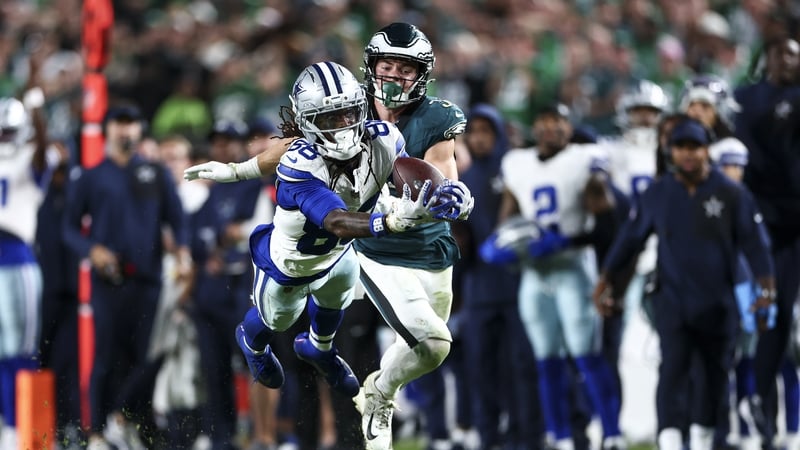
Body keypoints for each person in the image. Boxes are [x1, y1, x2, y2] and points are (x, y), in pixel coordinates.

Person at [183, 59, 456, 428]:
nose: (343, 125)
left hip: (340, 253)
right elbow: (336, 221)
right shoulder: (300, 165)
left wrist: (445, 197)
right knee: (277, 318)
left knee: (338, 295)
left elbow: (405, 176)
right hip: (292, 262)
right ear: (309, 123)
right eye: (330, 119)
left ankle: (320, 349)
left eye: (347, 113)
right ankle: (251, 340)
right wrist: (390, 219)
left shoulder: (384, 138)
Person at [594, 117, 776, 450]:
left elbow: (755, 244)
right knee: (672, 371)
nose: (688, 154)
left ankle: (703, 439)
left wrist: (767, 288)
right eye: (681, 147)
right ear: (670, 151)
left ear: (707, 150)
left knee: (714, 378)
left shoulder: (731, 193)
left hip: (718, 303)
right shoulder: (658, 193)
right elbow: (630, 239)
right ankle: (670, 440)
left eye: (695, 146)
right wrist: (606, 277)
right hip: (672, 300)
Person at [483, 103, 624, 450]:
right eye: (544, 121)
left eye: (558, 121)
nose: (550, 128)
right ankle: (559, 436)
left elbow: (609, 225)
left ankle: (611, 433)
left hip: (574, 268)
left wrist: (567, 241)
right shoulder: (518, 164)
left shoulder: (583, 159)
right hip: (534, 274)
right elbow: (506, 221)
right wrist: (498, 245)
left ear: (569, 126)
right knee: (546, 359)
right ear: (535, 127)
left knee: (586, 355)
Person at [62, 103, 192, 450]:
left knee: (143, 359)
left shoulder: (153, 172)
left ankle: (134, 424)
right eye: (120, 123)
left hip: (149, 281)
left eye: (132, 124)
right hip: (109, 282)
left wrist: (182, 251)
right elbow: (69, 229)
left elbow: (177, 220)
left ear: (140, 130)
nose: (126, 131)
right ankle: (96, 431)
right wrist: (92, 250)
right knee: (105, 357)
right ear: (107, 130)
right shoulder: (91, 176)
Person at [456, 103, 543, 449]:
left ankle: (528, 437)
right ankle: (488, 435)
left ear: (499, 135)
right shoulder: (462, 179)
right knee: (480, 367)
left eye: (485, 131)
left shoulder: (516, 172)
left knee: (522, 366)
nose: (478, 139)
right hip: (479, 290)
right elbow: (461, 241)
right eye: (472, 132)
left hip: (517, 284)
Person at [734, 37, 800, 448]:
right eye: (783, 53)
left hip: (791, 222)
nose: (790, 60)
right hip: (766, 225)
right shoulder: (747, 98)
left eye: (795, 54)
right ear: (767, 59)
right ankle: (765, 418)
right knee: (766, 323)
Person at [0, 93, 53, 449]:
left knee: (23, 347)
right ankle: (7, 424)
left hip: (18, 257)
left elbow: (42, 150)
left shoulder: (32, 156)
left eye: (9, 130)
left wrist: (35, 105)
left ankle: (25, 426)